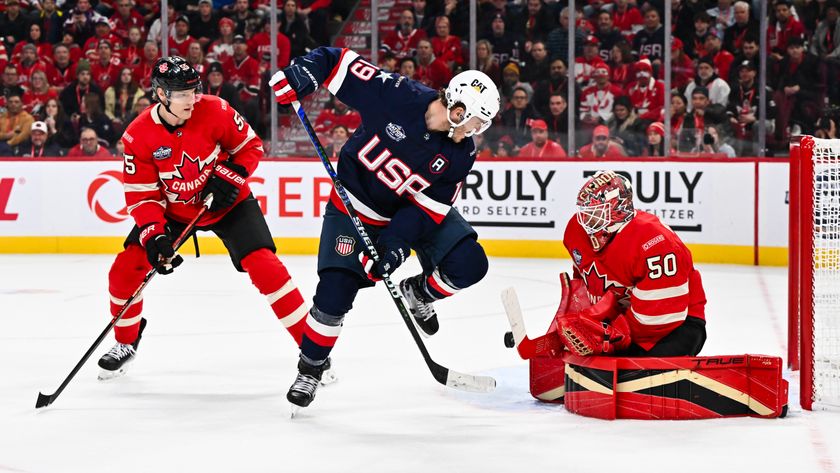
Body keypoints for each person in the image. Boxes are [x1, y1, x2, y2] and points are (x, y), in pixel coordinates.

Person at [269, 47, 500, 409]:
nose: (476, 131)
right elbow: (336, 61)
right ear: (458, 110)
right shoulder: (397, 95)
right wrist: (303, 74)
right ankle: (311, 368)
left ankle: (420, 293)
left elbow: (428, 208)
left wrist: (394, 246)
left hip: (411, 212)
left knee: (470, 263)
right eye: (475, 122)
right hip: (355, 207)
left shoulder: (462, 153)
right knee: (334, 293)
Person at [96, 56, 311, 384]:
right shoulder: (138, 137)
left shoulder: (216, 109)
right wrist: (155, 236)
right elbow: (142, 196)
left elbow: (250, 146)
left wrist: (231, 175)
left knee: (266, 266)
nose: (192, 99)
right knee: (126, 270)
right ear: (161, 95)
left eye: (194, 91)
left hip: (228, 203)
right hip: (174, 213)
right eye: (182, 94)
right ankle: (126, 340)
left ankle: (313, 351)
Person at [555, 170, 707, 357]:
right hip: (621, 318)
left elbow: (661, 315)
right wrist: (587, 318)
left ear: (617, 210)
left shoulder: (655, 241)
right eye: (585, 213)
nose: (586, 220)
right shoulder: (576, 230)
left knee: (632, 371)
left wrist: (615, 336)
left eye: (595, 213)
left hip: (676, 324)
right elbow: (584, 275)